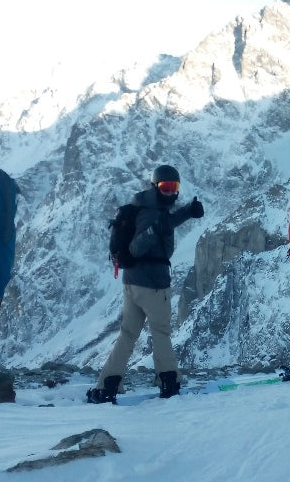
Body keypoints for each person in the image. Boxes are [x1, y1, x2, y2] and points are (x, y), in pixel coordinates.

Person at [86, 164, 203, 403]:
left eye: (174, 187)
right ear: (155, 186)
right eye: (165, 187)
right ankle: (169, 382)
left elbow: (165, 222)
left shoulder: (146, 206)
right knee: (161, 333)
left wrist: (188, 212)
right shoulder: (151, 213)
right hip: (152, 284)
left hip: (133, 284)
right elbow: (136, 247)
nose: (171, 192)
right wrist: (154, 231)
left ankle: (108, 384)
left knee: (128, 334)